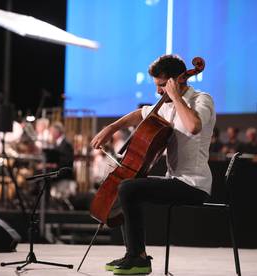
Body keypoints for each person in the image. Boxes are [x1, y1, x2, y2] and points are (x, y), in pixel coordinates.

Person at [90, 54, 215, 275]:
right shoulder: (164, 105)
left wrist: (176, 96)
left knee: (129, 188)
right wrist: (112, 127)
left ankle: (138, 258)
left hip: (194, 185)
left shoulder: (202, 100)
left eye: (161, 86)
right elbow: (140, 113)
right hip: (174, 180)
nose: (158, 92)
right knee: (130, 184)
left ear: (177, 81)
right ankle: (134, 254)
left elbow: (193, 126)